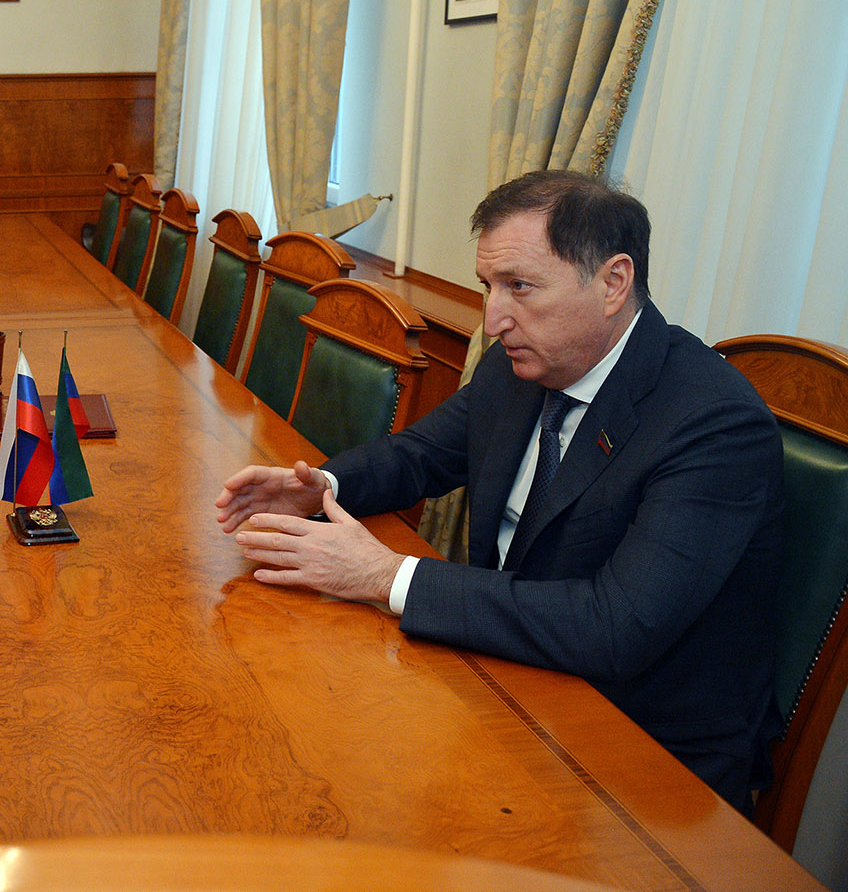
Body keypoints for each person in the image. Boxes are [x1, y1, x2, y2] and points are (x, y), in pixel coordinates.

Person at [215, 169, 783, 810]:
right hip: (506, 678)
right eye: (489, 286)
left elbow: (616, 627)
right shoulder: (521, 365)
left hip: (641, 763)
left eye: (520, 287)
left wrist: (386, 576)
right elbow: (422, 455)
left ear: (613, 283)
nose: (492, 318)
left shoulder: (713, 423)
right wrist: (322, 486)